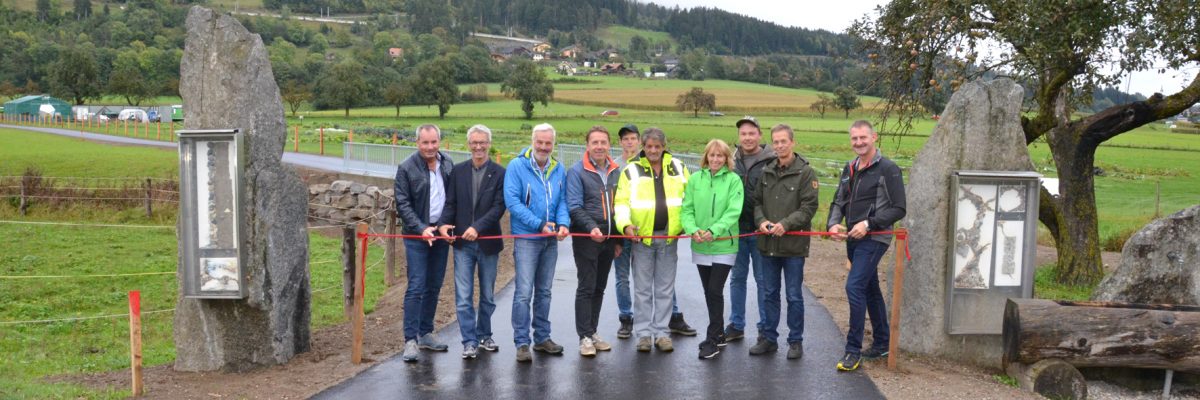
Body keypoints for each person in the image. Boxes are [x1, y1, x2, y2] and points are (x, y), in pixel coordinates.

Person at [828, 120, 907, 372]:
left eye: (863, 137)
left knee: (854, 286)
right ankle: (882, 342)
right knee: (870, 288)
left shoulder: (888, 169)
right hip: (853, 238)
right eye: (854, 138)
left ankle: (853, 351)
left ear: (874, 137)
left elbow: (899, 208)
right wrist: (832, 224)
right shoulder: (849, 167)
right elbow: (838, 200)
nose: (859, 142)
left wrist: (868, 224)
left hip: (875, 238)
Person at [611, 124, 696, 340]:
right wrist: (625, 226)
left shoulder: (678, 167)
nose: (653, 150)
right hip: (642, 239)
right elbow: (621, 203)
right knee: (642, 290)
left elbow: (690, 199)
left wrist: (686, 224)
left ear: (664, 146)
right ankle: (643, 334)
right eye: (649, 146)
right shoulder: (630, 170)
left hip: (669, 238)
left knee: (665, 289)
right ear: (643, 146)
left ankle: (662, 333)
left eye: (657, 146)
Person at [437, 124, 506, 359]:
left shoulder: (500, 173)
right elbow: (451, 204)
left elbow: (499, 207)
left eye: (482, 142)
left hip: (488, 244)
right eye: (474, 142)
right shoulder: (458, 172)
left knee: (487, 294)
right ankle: (469, 341)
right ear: (469, 144)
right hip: (463, 245)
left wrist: (478, 227)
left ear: (489, 144)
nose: (478, 147)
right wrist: (443, 224)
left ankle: (484, 335)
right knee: (464, 296)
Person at [504, 123, 571, 362]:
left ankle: (542, 337)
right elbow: (513, 202)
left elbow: (562, 201)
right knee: (524, 292)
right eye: (539, 142)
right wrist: (539, 224)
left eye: (548, 143)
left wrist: (563, 224)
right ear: (532, 142)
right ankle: (522, 342)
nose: (543, 147)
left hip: (550, 240)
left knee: (544, 291)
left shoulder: (558, 168)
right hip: (527, 239)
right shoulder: (516, 166)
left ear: (553, 144)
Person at [752, 123, 819, 360]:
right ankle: (769, 339)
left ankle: (795, 341)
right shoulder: (766, 171)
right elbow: (757, 202)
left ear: (792, 142)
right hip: (768, 245)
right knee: (769, 293)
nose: (779, 146)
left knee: (793, 296)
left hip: (793, 247)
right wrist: (761, 221)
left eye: (783, 141)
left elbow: (809, 207)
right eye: (776, 142)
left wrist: (786, 224)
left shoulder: (806, 173)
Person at [395, 124, 455, 363]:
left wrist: (444, 225)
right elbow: (402, 203)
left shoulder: (447, 163)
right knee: (416, 285)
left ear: (439, 141)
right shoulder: (406, 168)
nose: (430, 147)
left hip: (440, 233)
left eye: (434, 142)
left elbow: (451, 199)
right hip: (417, 235)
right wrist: (421, 228)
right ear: (417, 143)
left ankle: (427, 332)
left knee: (434, 284)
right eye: (425, 143)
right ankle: (410, 340)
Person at [680, 139, 743, 359]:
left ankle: (713, 338)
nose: (716, 159)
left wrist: (714, 230)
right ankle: (720, 334)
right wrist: (692, 229)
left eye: (720, 155)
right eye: (712, 155)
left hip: (724, 244)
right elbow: (686, 209)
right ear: (706, 157)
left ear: (727, 158)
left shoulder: (734, 180)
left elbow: (733, 211)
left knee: (715, 290)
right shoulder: (695, 179)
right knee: (709, 291)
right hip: (701, 244)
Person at [565, 126, 621, 357]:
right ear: (587, 145)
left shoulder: (616, 171)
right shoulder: (577, 171)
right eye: (595, 142)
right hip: (587, 237)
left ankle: (593, 331)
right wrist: (591, 228)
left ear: (609, 145)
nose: (599, 146)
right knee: (586, 287)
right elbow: (574, 206)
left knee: (599, 287)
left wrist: (618, 240)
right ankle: (584, 337)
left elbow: (620, 206)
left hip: (609, 238)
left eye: (603, 142)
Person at [726, 116, 775, 342]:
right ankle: (736, 324)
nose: (747, 138)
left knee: (763, 280)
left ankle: (765, 327)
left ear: (759, 135)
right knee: (737, 278)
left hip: (761, 230)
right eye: (743, 134)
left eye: (751, 133)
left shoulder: (771, 160)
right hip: (737, 229)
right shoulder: (731, 160)